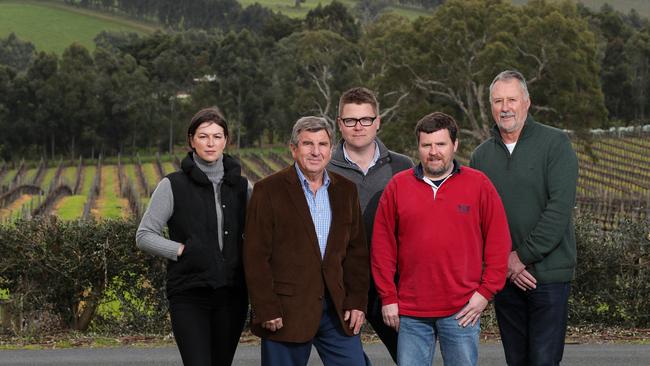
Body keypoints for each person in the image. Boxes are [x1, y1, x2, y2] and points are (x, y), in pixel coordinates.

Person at [372, 112, 511, 366]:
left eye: (441, 144)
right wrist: (388, 297)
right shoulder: (397, 186)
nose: (433, 152)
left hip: (462, 310)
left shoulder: (478, 184)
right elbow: (382, 247)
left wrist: (485, 292)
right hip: (411, 311)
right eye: (426, 145)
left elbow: (498, 242)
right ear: (418, 147)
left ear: (455, 145)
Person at [470, 70, 579, 366]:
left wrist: (521, 257)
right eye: (497, 101)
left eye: (511, 99)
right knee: (516, 360)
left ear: (527, 102)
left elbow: (558, 210)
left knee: (543, 361)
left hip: (548, 276)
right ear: (491, 106)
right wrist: (505, 262)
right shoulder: (481, 157)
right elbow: (478, 220)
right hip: (505, 277)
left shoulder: (555, 144)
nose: (505, 107)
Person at [243, 116, 370, 366]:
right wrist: (266, 307)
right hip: (286, 311)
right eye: (307, 144)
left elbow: (357, 252)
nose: (315, 151)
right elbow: (255, 256)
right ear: (293, 148)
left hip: (337, 310)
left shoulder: (346, 190)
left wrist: (357, 301)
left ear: (331, 149)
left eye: (322, 144)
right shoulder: (268, 190)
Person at [136, 107, 249, 366]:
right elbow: (144, 235)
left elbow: (259, 234)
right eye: (203, 136)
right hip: (189, 294)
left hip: (232, 296)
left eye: (217, 136)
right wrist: (182, 251)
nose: (211, 143)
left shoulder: (243, 187)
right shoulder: (172, 185)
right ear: (191, 140)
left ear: (226, 140)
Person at [327, 87, 412, 363]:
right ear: (340, 124)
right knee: (348, 359)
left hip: (392, 281)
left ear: (377, 122)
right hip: (343, 282)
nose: (358, 127)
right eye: (350, 120)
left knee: (408, 356)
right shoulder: (324, 168)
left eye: (365, 119)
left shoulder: (402, 166)